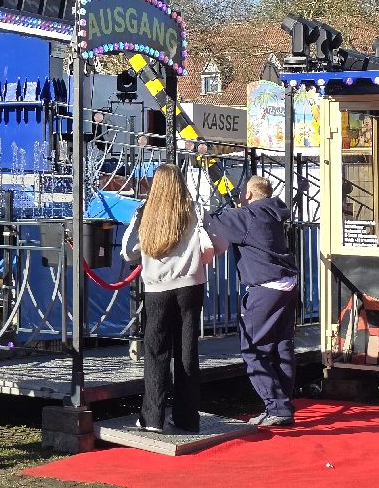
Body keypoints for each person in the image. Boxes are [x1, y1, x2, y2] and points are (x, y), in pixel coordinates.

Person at [121, 163, 222, 433]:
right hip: (191, 285)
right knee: (187, 350)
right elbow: (219, 243)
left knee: (156, 351)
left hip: (156, 288)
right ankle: (187, 417)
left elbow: (128, 252)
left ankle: (153, 418)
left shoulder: (144, 211)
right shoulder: (195, 210)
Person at [205, 175, 299, 426]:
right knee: (282, 346)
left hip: (265, 288)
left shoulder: (248, 215)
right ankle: (283, 404)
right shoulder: (274, 212)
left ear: (248, 194)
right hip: (287, 284)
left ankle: (277, 408)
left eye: (241, 193)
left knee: (254, 349)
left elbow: (211, 221)